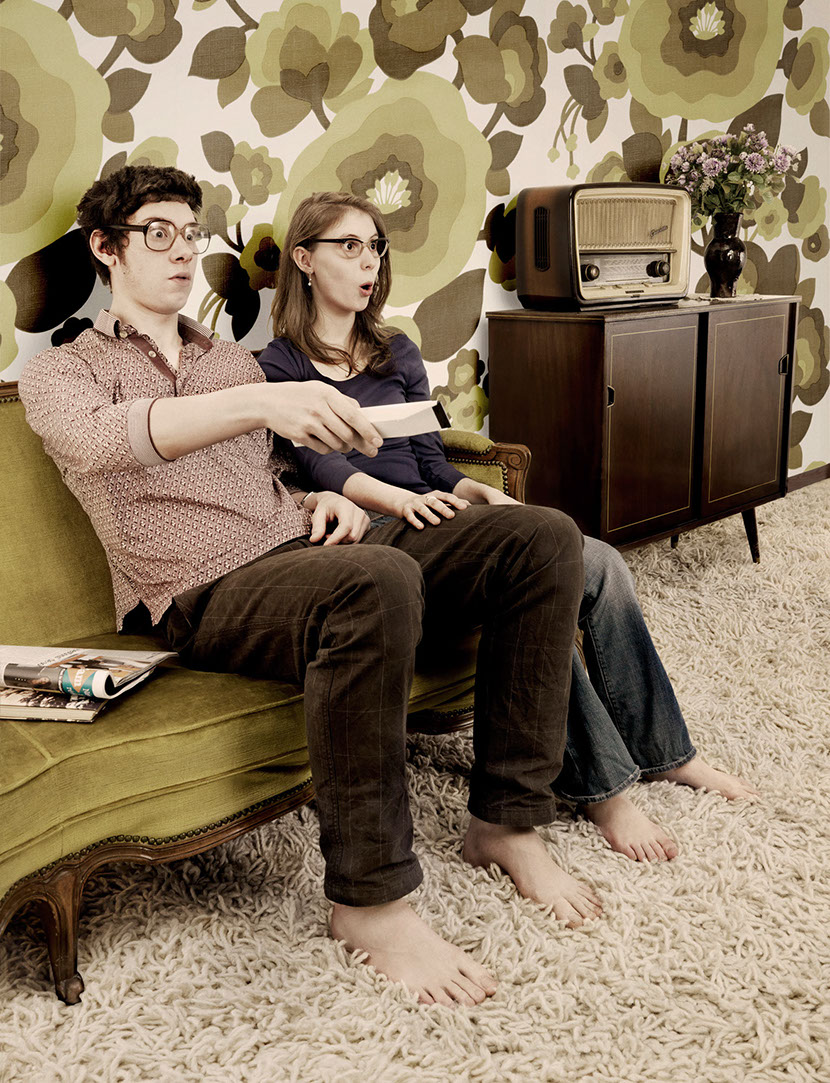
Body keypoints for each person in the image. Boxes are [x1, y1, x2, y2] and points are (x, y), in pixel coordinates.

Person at [19, 165, 613, 1009]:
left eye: (190, 233)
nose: (183, 250)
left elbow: (259, 475)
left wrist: (314, 498)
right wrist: (263, 404)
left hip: (297, 546)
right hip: (196, 591)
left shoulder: (229, 358)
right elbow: (103, 443)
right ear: (105, 248)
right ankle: (370, 902)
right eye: (158, 233)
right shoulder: (65, 371)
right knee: (376, 579)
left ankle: (508, 821)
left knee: (541, 536)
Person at [259, 190, 758, 863]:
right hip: (375, 530)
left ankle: (667, 752)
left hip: (437, 512)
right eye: (348, 246)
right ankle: (604, 791)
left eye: (374, 246)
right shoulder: (279, 366)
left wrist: (475, 491)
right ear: (304, 259)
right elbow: (320, 465)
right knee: (533, 574)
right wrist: (400, 503)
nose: (369, 261)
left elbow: (431, 457)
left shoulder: (395, 350)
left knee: (601, 562)